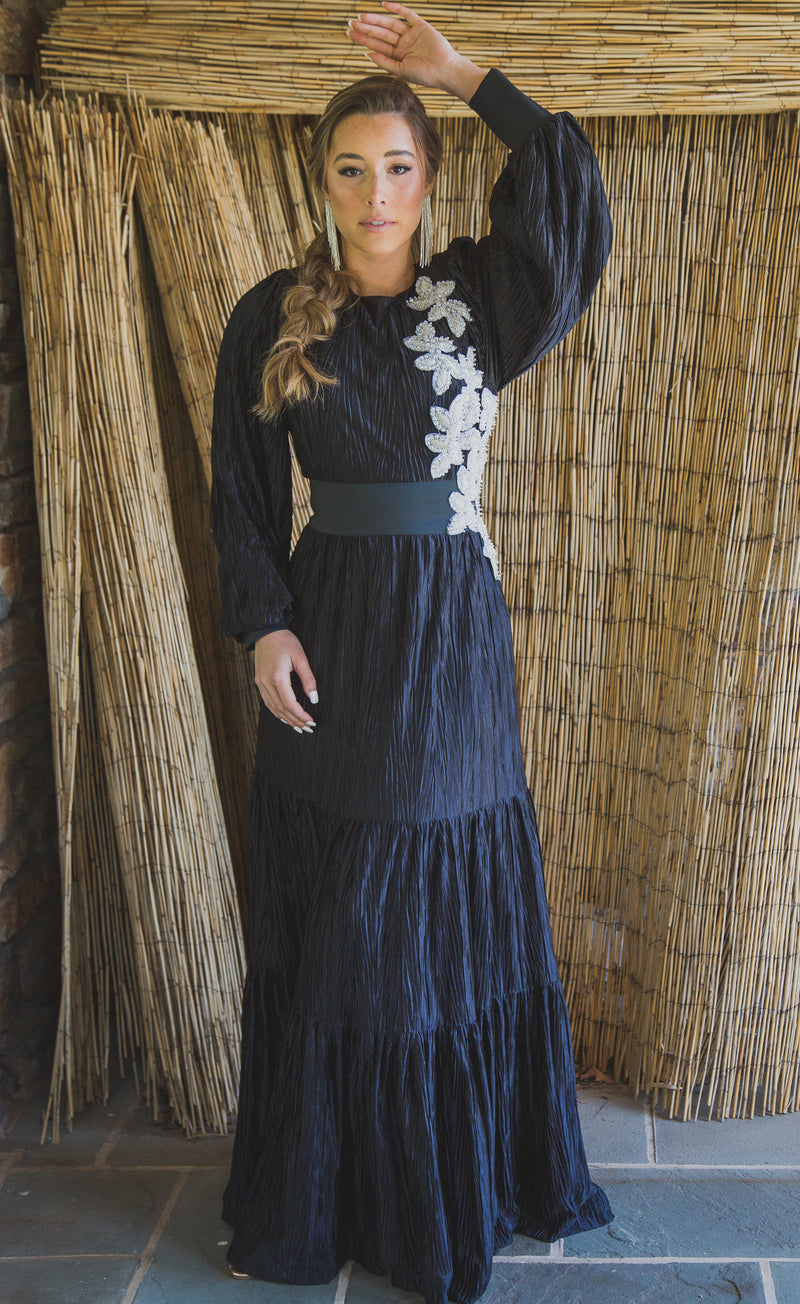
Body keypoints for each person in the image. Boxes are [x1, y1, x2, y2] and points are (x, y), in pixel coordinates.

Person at [209, 4, 614, 1302]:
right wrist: (264, 623)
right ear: (319, 181)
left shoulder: (484, 298)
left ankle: (451, 1182)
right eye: (351, 167)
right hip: (330, 637)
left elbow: (568, 189)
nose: (375, 191)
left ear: (428, 181)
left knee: (430, 890)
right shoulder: (274, 316)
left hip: (449, 637)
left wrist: (458, 75)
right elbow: (237, 495)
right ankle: (337, 1188)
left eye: (397, 166)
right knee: (341, 914)